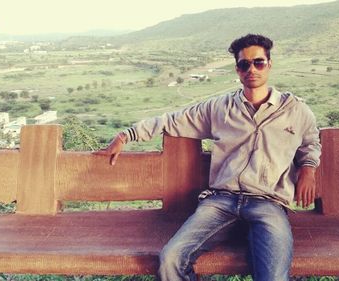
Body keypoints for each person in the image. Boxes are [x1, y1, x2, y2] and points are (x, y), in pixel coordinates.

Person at [93, 34, 321, 281]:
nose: (251, 69)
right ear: (237, 69)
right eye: (244, 64)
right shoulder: (219, 109)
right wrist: (126, 135)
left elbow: (310, 142)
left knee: (273, 277)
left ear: (269, 64)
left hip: (268, 203)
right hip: (221, 201)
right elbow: (172, 120)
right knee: (171, 259)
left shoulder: (295, 110)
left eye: (258, 62)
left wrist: (308, 168)